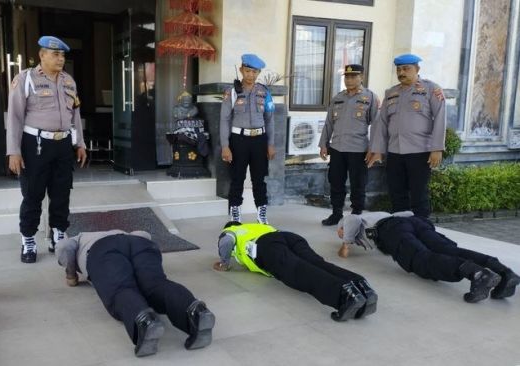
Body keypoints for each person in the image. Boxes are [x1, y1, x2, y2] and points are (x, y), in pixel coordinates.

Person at [56, 230, 215, 357]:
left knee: (121, 289)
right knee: (156, 284)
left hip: (102, 250)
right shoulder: (120, 231)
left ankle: (144, 321)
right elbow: (143, 234)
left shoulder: (78, 238)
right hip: (138, 243)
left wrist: (71, 274)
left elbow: (64, 247)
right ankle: (195, 312)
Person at [7, 35, 87, 263]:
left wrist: (79, 143)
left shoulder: (69, 81)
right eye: (55, 54)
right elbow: (14, 117)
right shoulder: (25, 79)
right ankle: (28, 240)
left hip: (63, 144)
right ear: (42, 55)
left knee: (62, 193)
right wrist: (14, 150)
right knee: (33, 194)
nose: (60, 59)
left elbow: (76, 115)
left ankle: (58, 234)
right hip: (35, 145)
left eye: (62, 55)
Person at [338, 212, 519, 303]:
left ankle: (477, 274)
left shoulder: (350, 220)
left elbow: (351, 219)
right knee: (448, 250)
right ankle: (504, 272)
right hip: (413, 222)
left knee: (421, 259)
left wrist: (345, 244)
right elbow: (408, 214)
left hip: (390, 229)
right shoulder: (379, 213)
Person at [213, 222, 377, 321]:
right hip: (288, 237)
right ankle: (362, 287)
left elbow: (227, 241)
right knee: (317, 264)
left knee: (300, 271)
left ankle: (345, 296)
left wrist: (224, 263)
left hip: (267, 246)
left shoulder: (231, 230)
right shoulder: (256, 226)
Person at [366, 54, 446, 218]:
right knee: (397, 195)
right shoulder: (391, 92)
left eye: (406, 69)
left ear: (417, 69)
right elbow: (381, 122)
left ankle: (423, 230)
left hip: (419, 152)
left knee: (419, 195)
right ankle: (400, 230)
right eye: (399, 69)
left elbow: (440, 118)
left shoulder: (431, 89)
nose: (401, 72)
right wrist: (378, 149)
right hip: (395, 152)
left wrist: (437, 148)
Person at [319, 64, 379, 226]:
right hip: (337, 148)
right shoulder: (338, 97)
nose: (349, 79)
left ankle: (356, 215)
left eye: (353, 76)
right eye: (347, 76)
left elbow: (377, 125)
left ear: (362, 77)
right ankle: (336, 213)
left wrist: (374, 148)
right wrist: (323, 144)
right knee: (336, 182)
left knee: (358, 184)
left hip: (359, 150)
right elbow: (329, 123)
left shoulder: (370, 97)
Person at [220, 54, 276, 224]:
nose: (250, 75)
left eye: (254, 72)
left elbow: (270, 119)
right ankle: (235, 213)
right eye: (247, 71)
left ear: (258, 73)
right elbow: (224, 119)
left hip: (259, 140)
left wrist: (271, 144)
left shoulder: (264, 92)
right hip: (239, 141)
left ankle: (262, 214)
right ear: (241, 70)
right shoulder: (231, 92)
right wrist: (225, 146)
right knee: (237, 178)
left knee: (259, 179)